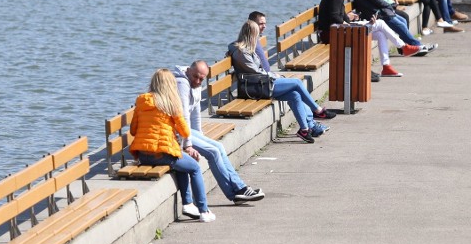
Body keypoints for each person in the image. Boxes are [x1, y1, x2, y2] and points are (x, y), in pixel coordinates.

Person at [172, 62, 265, 204]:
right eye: (195, 77)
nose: (197, 81)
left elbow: (195, 113)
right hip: (176, 132)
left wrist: (201, 137)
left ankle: (240, 189)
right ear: (189, 71)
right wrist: (188, 145)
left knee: (219, 147)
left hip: (185, 129)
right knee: (213, 152)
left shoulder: (194, 84)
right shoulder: (182, 83)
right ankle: (236, 192)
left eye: (201, 79)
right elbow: (184, 115)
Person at [130, 69, 215, 222]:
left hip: (143, 155)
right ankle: (204, 210)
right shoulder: (171, 103)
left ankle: (188, 204)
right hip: (161, 154)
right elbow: (185, 131)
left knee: (182, 163)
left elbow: (133, 130)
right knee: (194, 167)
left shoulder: (141, 101)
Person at [229, 20, 333, 144]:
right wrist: (274, 76)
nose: (258, 37)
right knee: (296, 83)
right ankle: (318, 110)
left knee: (295, 95)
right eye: (256, 34)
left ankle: (304, 130)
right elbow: (255, 72)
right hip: (256, 88)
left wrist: (274, 76)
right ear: (251, 34)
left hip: (262, 84)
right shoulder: (241, 52)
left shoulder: (246, 49)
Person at [317, 0, 419, 77]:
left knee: (380, 34)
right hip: (330, 35)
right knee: (380, 23)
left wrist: (358, 22)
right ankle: (403, 47)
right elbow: (334, 17)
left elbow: (343, 19)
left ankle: (386, 66)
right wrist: (352, 25)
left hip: (337, 31)